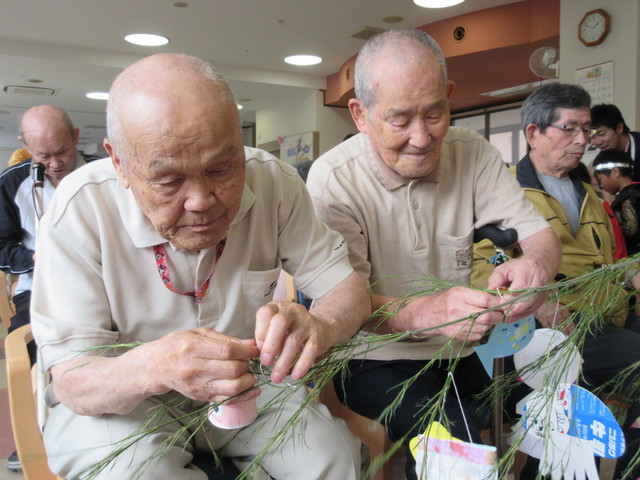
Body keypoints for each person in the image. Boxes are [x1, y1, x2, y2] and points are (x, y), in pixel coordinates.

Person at [30, 53, 369, 480]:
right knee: (140, 474)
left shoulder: (274, 182)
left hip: (246, 386)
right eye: (169, 181)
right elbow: (74, 382)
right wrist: (154, 366)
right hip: (122, 401)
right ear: (120, 163)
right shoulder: (80, 208)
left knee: (332, 457)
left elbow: (348, 289)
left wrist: (320, 325)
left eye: (221, 168)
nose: (201, 201)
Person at [305, 29, 561, 479]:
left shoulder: (474, 153)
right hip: (373, 358)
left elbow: (538, 235)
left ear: (448, 97)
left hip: (465, 349)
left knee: (559, 402)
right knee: (456, 445)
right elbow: (346, 304)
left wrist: (535, 266)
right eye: (400, 120)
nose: (422, 138)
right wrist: (428, 311)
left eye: (434, 114)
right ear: (360, 114)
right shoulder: (333, 181)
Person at [475, 83, 640, 479]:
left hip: (611, 318)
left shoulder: (589, 194)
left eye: (586, 129)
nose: (582, 140)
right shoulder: (504, 190)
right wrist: (540, 302)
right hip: (560, 326)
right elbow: (484, 268)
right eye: (569, 128)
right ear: (534, 133)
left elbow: (616, 261)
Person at [0, 105, 97, 472]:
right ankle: (38, 431)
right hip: (38, 287)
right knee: (33, 351)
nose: (55, 163)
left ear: (75, 137)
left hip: (100, 283)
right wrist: (33, 259)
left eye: (62, 152)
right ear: (25, 145)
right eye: (44, 156)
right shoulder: (11, 183)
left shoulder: (106, 173)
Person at [593, 149, 640, 256]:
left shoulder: (627, 197)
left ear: (615, 172)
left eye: (600, 179)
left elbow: (631, 230)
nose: (601, 186)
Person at [590, 104, 640, 181]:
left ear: (619, 128)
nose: (597, 142)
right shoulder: (603, 159)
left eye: (601, 134)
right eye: (592, 137)